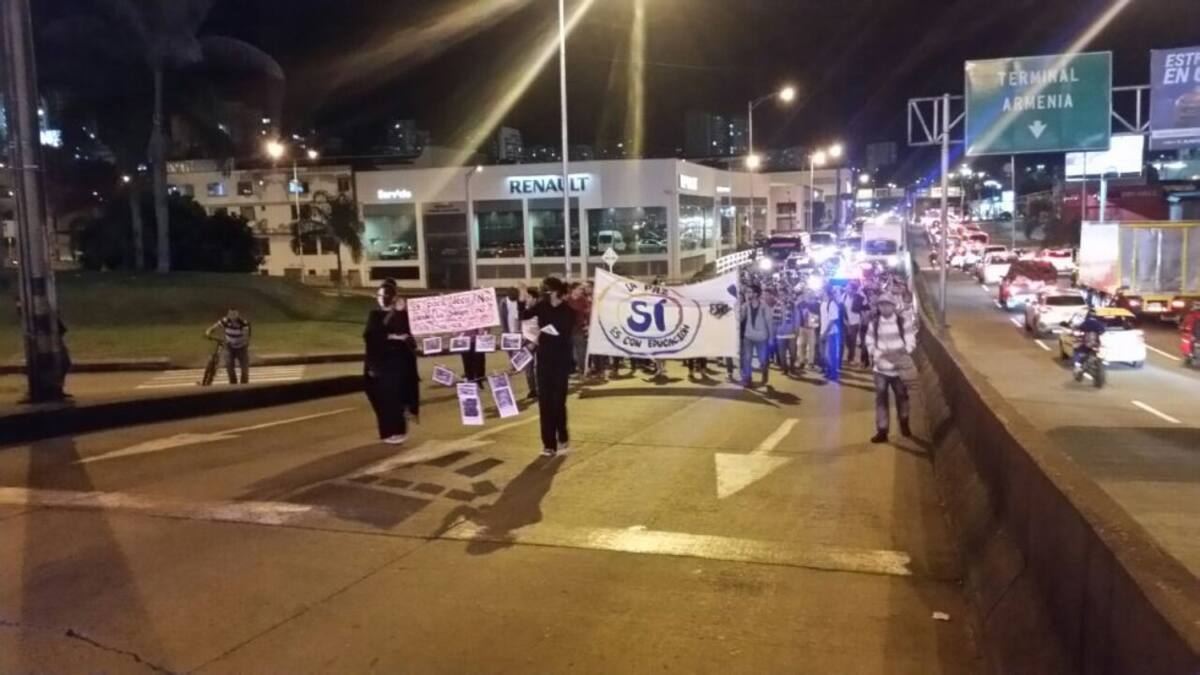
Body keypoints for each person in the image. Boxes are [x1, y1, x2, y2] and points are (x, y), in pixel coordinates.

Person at [520, 277, 576, 457]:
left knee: (558, 402)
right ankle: (548, 444)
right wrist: (523, 299)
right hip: (543, 360)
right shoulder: (541, 306)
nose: (544, 293)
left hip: (561, 360)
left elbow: (564, 333)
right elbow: (524, 316)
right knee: (545, 403)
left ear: (556, 291)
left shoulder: (569, 311)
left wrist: (545, 332)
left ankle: (563, 435)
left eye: (547, 290)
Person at [363, 280, 420, 444]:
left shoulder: (402, 314)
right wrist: (392, 336)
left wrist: (401, 314)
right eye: (380, 296)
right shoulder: (375, 315)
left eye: (386, 296)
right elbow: (371, 337)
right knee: (382, 399)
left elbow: (409, 336)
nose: (382, 299)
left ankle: (399, 431)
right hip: (380, 364)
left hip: (399, 364)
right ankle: (388, 431)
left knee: (397, 397)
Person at [866, 294, 916, 443]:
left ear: (893, 306)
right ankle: (882, 430)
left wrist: (900, 354)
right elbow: (869, 341)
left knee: (902, 397)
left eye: (887, 304)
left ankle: (904, 422)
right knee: (881, 400)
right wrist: (877, 355)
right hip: (880, 370)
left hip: (899, 369)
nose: (884, 307)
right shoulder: (874, 323)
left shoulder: (903, 322)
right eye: (881, 305)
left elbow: (911, 341)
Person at [739, 284, 774, 387]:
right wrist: (738, 308)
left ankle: (764, 373)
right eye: (747, 292)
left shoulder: (764, 307)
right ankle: (747, 379)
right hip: (748, 337)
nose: (747, 294)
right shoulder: (745, 306)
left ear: (756, 294)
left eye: (750, 292)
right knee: (747, 358)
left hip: (761, 337)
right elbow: (740, 319)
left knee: (762, 359)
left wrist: (771, 338)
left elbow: (769, 322)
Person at [206, 308, 251, 385]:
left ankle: (244, 386)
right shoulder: (225, 321)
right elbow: (215, 327)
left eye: (234, 316)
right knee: (229, 367)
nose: (232, 319)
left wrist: (241, 342)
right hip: (229, 347)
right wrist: (208, 332)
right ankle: (233, 385)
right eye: (230, 316)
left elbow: (246, 337)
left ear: (237, 316)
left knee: (244, 369)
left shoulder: (244, 323)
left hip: (241, 348)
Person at [566, 282, 592, 377]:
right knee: (570, 352)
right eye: (580, 289)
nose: (582, 291)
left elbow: (588, 313)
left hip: (579, 328)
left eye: (582, 289)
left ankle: (582, 370)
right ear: (573, 289)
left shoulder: (583, 300)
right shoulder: (567, 300)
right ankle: (571, 370)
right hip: (567, 329)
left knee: (581, 351)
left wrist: (588, 325)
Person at [820, 287, 844, 382]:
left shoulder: (832, 304)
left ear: (826, 293)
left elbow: (832, 320)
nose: (820, 292)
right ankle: (829, 371)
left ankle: (833, 374)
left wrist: (825, 332)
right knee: (825, 355)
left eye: (821, 291)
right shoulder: (823, 303)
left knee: (831, 355)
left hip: (831, 333)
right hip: (824, 332)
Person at [1073, 309, 1107, 374]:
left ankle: (1077, 366)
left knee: (1078, 350)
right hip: (1097, 344)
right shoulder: (1099, 323)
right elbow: (1103, 331)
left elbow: (1080, 329)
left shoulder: (1085, 323)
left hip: (1087, 343)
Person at [797, 291, 820, 373]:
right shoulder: (800, 304)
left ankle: (810, 362)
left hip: (811, 328)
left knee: (811, 346)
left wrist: (812, 324)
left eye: (810, 295)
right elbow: (797, 314)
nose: (808, 296)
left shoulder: (816, 304)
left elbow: (817, 316)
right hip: (802, 327)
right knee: (801, 345)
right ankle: (802, 361)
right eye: (806, 294)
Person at [843, 283, 866, 367]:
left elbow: (865, 306)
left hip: (855, 321)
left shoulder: (858, 297)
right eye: (846, 287)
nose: (846, 289)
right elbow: (841, 307)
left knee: (852, 341)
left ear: (853, 290)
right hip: (846, 321)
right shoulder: (844, 296)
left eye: (848, 288)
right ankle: (849, 356)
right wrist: (844, 319)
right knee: (847, 341)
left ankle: (850, 358)